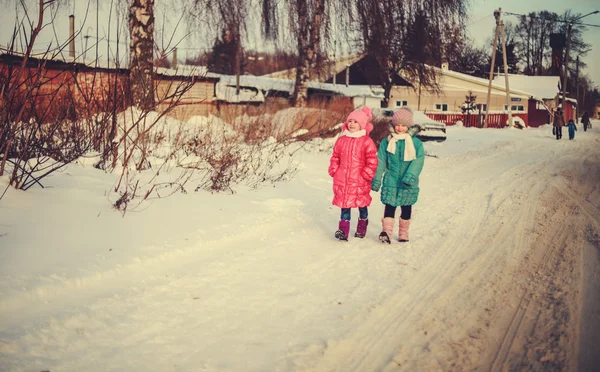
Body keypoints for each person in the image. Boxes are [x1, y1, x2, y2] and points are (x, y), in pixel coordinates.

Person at [371, 107, 425, 244]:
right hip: (391, 180)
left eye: (403, 125)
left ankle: (403, 233)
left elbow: (418, 161)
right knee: (389, 206)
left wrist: (410, 177)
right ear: (393, 125)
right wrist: (377, 178)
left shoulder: (416, 143)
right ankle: (387, 233)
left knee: (406, 207)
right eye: (397, 125)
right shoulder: (387, 141)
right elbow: (381, 160)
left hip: (408, 182)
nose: (400, 128)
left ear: (409, 126)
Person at [328, 106, 378, 241]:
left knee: (362, 205)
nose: (351, 124)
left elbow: (372, 160)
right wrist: (334, 168)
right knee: (345, 205)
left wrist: (366, 173)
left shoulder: (366, 141)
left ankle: (363, 223)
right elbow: (335, 156)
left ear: (362, 124)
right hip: (343, 179)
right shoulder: (341, 140)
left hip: (360, 180)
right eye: (350, 121)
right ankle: (343, 230)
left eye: (355, 122)